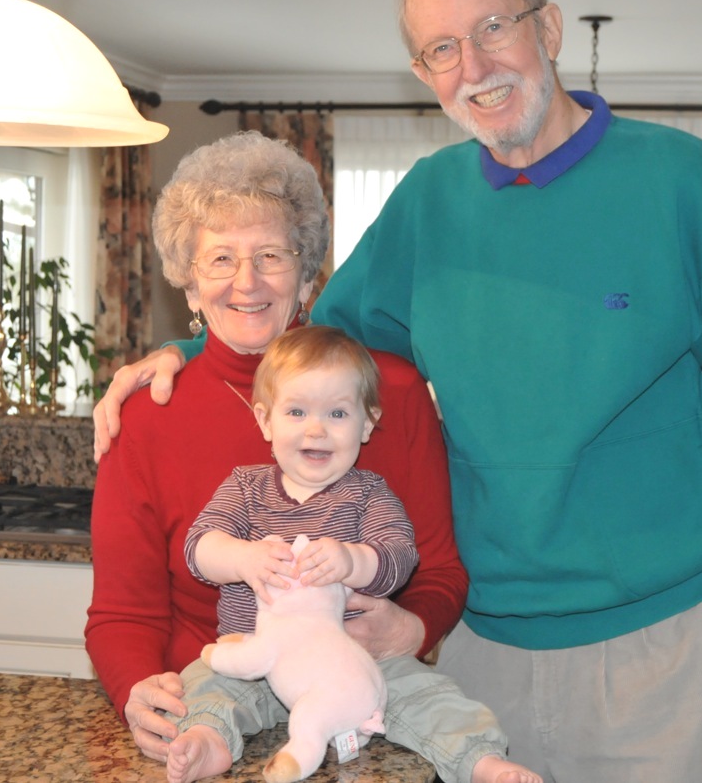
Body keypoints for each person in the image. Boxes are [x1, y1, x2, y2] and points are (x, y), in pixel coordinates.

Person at [93, 0, 702, 780]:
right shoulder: (428, 202)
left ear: (548, 28)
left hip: (662, 646)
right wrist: (187, 352)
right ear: (422, 72)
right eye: (441, 48)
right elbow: (314, 351)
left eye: (493, 27)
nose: (474, 66)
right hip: (478, 655)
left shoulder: (680, 182)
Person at [85, 130, 525, 783]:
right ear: (189, 285)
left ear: (308, 272)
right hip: (207, 711)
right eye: (220, 259)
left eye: (271, 255)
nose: (247, 281)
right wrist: (136, 689)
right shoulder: (147, 416)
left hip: (359, 711)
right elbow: (123, 612)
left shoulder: (391, 394)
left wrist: (413, 626)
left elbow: (438, 570)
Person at [166, 325, 538, 783]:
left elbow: (399, 558)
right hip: (256, 660)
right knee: (204, 682)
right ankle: (207, 740)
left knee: (427, 693)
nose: (316, 429)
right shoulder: (245, 487)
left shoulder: (368, 494)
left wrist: (352, 561)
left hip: (355, 662)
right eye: (297, 411)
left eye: (338, 413)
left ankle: (481, 760)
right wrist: (242, 558)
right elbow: (198, 547)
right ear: (265, 420)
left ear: (366, 423)